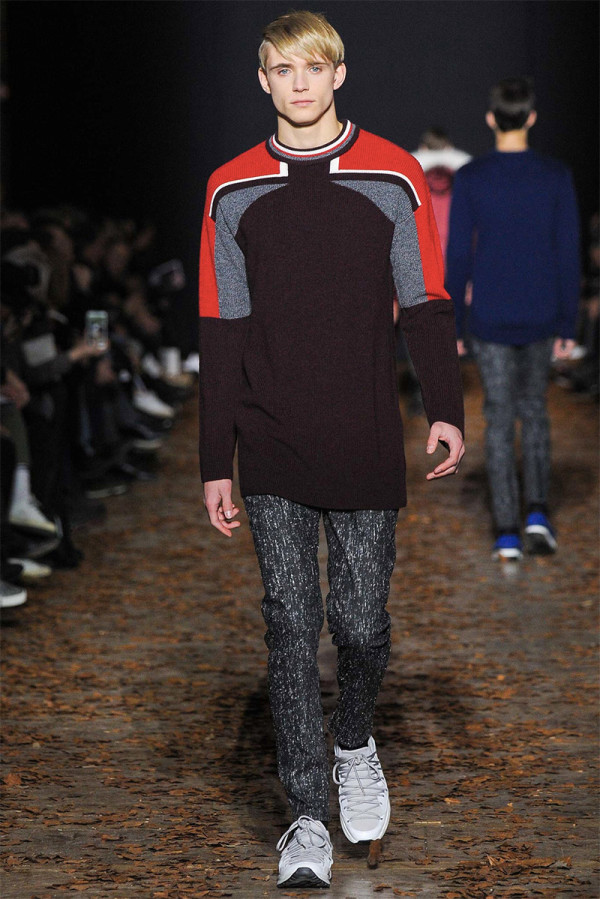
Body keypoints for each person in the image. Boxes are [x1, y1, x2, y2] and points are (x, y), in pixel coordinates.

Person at [198, 10, 464, 889]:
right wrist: (214, 456)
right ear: (263, 80)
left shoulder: (392, 173)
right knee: (288, 622)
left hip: (363, 429)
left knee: (360, 623)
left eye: (313, 68)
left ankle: (353, 740)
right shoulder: (231, 188)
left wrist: (445, 407)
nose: (300, 83)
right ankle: (306, 814)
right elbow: (222, 328)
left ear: (339, 73)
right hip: (270, 434)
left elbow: (423, 299)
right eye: (283, 70)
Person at [446, 77, 580, 561]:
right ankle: (538, 515)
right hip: (542, 313)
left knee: (499, 419)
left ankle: (506, 531)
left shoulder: (472, 177)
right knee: (535, 412)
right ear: (531, 117)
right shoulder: (555, 175)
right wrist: (568, 324)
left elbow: (458, 255)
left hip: (491, 317)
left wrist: (454, 323)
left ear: (490, 118)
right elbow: (567, 253)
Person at [411, 127, 471, 259]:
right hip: (457, 242)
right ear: (449, 147)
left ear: (423, 148)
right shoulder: (467, 169)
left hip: (423, 246)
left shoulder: (409, 169)